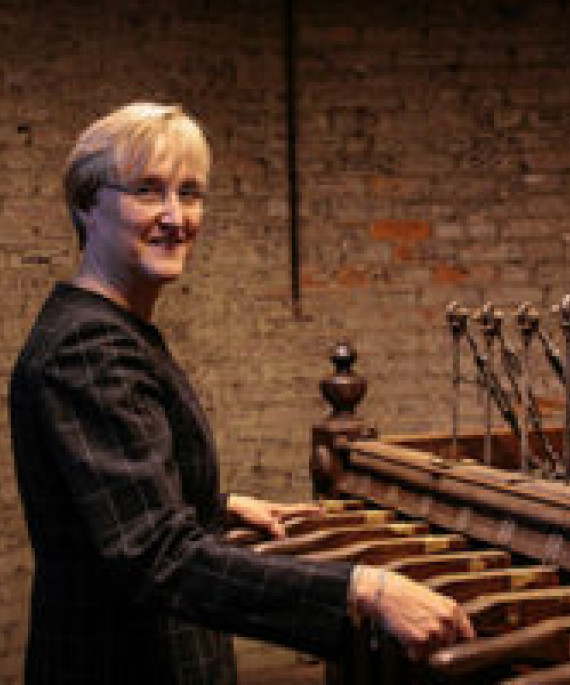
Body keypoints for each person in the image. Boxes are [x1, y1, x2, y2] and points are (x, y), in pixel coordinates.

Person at [10, 102, 474, 685]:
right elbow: (156, 557)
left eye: (191, 193)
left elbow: (112, 496)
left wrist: (214, 502)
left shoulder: (110, 329)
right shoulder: (89, 348)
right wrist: (362, 588)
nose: (176, 217)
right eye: (149, 191)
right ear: (86, 205)